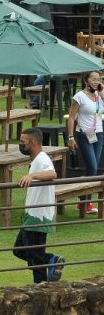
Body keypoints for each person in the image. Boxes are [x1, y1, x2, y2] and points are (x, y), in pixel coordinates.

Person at [12, 127, 65, 283]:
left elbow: (52, 173)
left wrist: (32, 175)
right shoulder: (36, 160)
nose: (21, 145)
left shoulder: (42, 159)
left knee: (35, 259)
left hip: (38, 217)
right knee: (19, 250)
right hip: (31, 216)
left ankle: (40, 287)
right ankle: (51, 260)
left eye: (23, 142)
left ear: (33, 142)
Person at [67, 70, 103, 215]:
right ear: (86, 80)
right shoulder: (79, 96)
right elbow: (71, 117)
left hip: (99, 134)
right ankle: (85, 201)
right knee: (92, 168)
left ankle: (83, 200)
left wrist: (102, 93)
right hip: (84, 134)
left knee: (91, 169)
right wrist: (71, 137)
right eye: (93, 79)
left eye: (99, 79)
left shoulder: (99, 95)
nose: (96, 82)